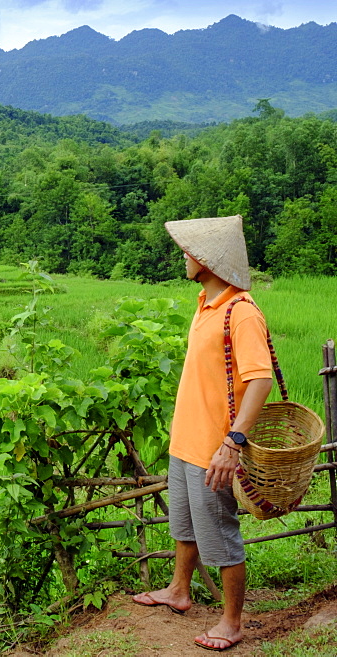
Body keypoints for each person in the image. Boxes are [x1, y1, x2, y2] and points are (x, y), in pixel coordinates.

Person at [132, 215, 273, 652]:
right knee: (186, 524)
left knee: (219, 533)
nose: (184, 256)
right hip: (185, 441)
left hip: (215, 447)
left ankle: (232, 622)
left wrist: (232, 443)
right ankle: (178, 590)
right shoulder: (204, 302)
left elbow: (261, 380)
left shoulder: (241, 312)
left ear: (209, 261)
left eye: (190, 251)